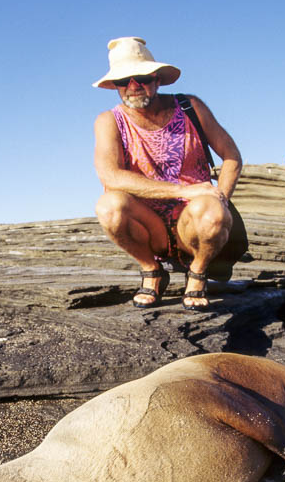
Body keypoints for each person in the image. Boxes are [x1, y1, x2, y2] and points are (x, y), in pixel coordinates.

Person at [93, 36, 242, 309]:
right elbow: (110, 176)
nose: (134, 87)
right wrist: (184, 190)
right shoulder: (109, 121)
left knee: (214, 210)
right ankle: (152, 271)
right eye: (124, 81)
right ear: (115, 86)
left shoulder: (190, 107)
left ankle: (198, 271)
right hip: (150, 225)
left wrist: (220, 198)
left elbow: (232, 156)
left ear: (156, 79)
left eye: (141, 78)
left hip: (193, 222)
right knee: (108, 206)